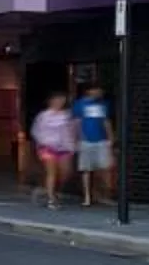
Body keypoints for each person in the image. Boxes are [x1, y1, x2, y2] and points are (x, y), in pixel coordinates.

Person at [30, 90, 79, 209]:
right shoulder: (44, 116)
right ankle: (51, 199)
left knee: (66, 172)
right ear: (51, 101)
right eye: (57, 99)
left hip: (64, 148)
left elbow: (72, 131)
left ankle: (47, 189)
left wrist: (73, 144)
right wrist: (43, 143)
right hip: (48, 147)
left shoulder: (66, 115)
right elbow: (36, 131)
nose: (59, 102)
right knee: (51, 172)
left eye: (62, 100)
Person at [73, 76, 113, 206]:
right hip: (86, 141)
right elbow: (77, 122)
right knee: (86, 169)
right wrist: (78, 138)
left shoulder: (103, 105)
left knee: (104, 167)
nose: (99, 93)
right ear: (90, 91)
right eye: (97, 90)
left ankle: (101, 193)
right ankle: (87, 196)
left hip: (101, 140)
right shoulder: (80, 104)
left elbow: (106, 121)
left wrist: (110, 136)